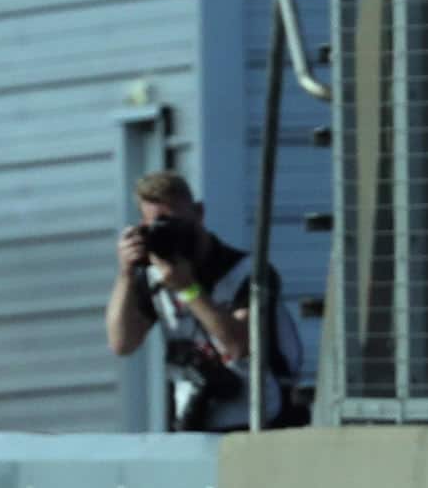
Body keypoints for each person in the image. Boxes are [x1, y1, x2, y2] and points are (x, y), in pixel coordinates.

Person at [105, 171, 306, 431]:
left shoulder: (249, 272)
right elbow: (122, 343)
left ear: (199, 213)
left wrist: (188, 289)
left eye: (175, 223)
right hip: (195, 421)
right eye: (157, 226)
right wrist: (126, 274)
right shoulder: (157, 276)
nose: (170, 234)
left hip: (261, 420)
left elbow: (238, 345)